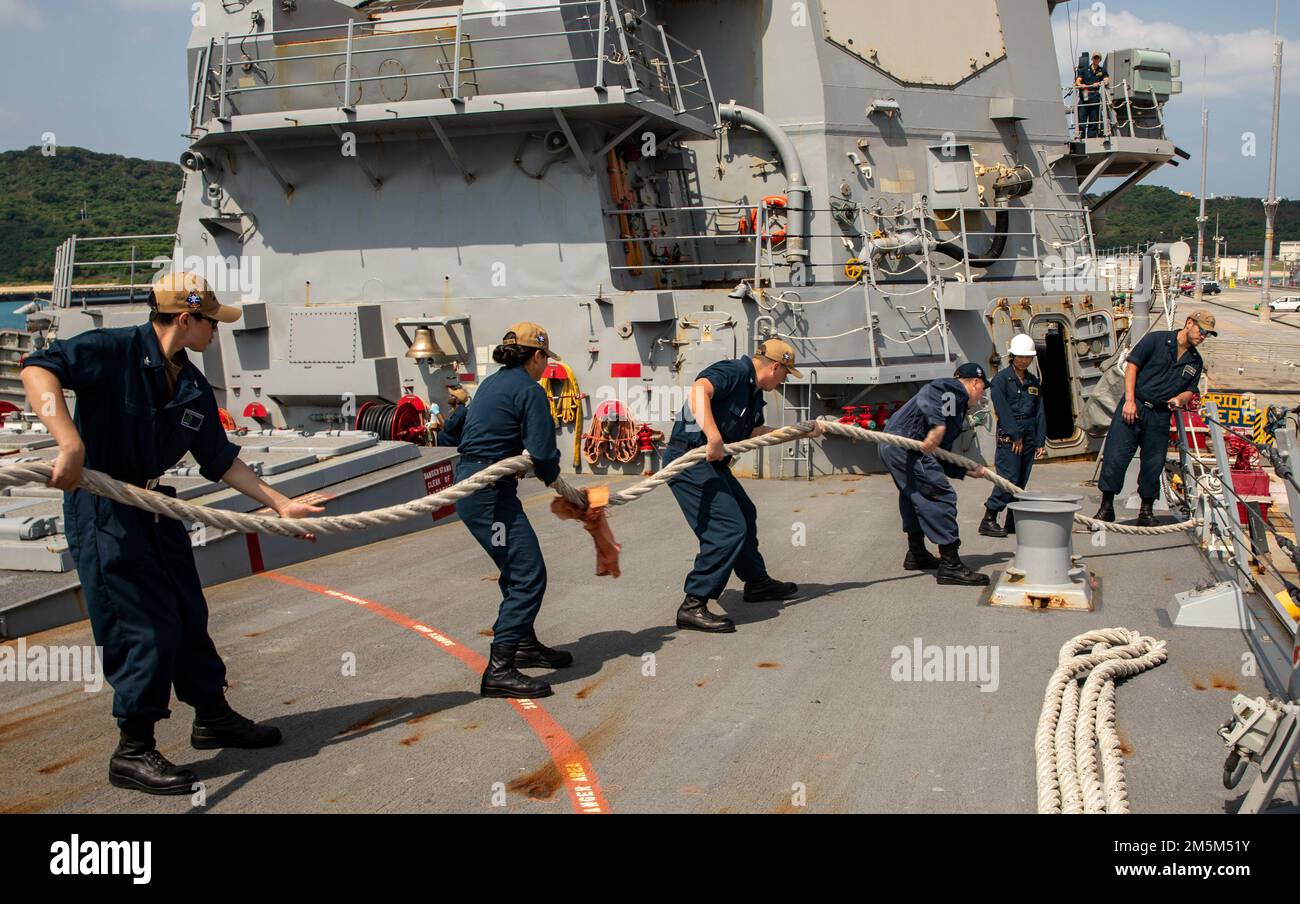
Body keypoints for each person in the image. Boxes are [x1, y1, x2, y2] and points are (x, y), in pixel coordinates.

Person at [19, 272, 324, 796]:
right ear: (186, 319)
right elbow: (38, 370)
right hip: (106, 508)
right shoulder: (110, 350)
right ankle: (132, 749)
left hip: (157, 507)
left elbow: (220, 459)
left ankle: (212, 716)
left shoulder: (191, 383)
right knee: (141, 623)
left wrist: (282, 505)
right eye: (211, 322)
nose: (216, 332)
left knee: (186, 611)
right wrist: (68, 442)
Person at [662, 340, 826, 633]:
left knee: (745, 513)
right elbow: (700, 390)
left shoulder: (752, 393)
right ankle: (693, 604)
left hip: (710, 463)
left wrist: (800, 431)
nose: (784, 380)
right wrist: (713, 437)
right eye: (785, 374)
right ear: (774, 366)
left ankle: (756, 582)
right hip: (688, 457)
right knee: (727, 527)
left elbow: (755, 432)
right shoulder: (735, 371)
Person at [455, 323, 569, 699]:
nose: (545, 367)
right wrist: (562, 488)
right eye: (545, 360)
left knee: (514, 568)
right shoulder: (530, 391)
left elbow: (453, 431)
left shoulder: (490, 383)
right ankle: (499, 669)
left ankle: (523, 644)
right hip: (490, 493)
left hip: (474, 484)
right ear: (536, 356)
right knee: (527, 574)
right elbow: (543, 455)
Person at [1094, 311, 1215, 525]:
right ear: (1189, 323)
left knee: (1153, 463)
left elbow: (1191, 390)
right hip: (1135, 405)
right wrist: (1130, 401)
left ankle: (1146, 511)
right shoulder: (1156, 340)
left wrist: (1180, 399)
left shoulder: (1195, 362)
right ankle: (1106, 507)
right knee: (1116, 457)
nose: (1203, 336)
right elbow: (1132, 366)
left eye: (1207, 334)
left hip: (1160, 414)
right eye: (1202, 330)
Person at [880, 363, 991, 586]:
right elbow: (931, 391)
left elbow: (941, 455)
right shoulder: (955, 390)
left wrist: (966, 470)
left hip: (895, 444)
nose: (982, 395)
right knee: (940, 495)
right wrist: (938, 426)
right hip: (908, 445)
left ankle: (917, 554)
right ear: (975, 383)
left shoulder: (953, 408)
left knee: (914, 496)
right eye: (982, 389)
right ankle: (950, 565)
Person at [980, 334, 1047, 538]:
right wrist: (1015, 435)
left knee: (1021, 479)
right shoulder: (1001, 380)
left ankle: (1012, 520)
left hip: (1029, 432)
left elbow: (1039, 412)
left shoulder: (1033, 381)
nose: (1025, 361)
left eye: (1028, 358)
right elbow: (1002, 409)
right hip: (1011, 434)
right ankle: (989, 518)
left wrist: (1040, 441)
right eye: (1021, 357)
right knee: (1007, 478)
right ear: (1012, 356)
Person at [1075, 52, 1110, 138]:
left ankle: (1091, 137)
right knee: (1082, 117)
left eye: (1097, 58)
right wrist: (1081, 85)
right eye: (1094, 58)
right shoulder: (1084, 70)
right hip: (1085, 95)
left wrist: (1099, 83)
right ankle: (1081, 137)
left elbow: (1106, 80)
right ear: (1092, 59)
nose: (1096, 59)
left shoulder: (1102, 71)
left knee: (1094, 119)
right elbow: (1078, 80)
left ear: (1100, 60)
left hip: (1095, 96)